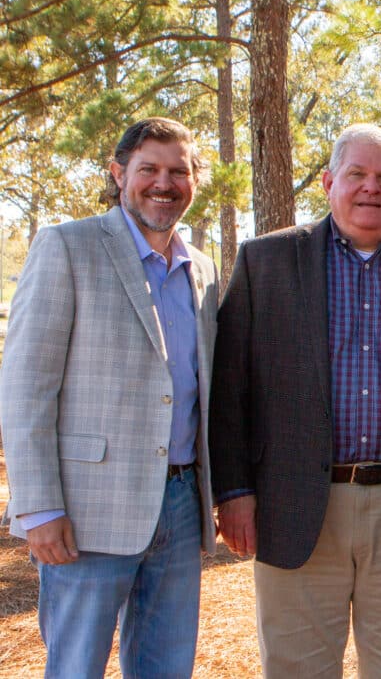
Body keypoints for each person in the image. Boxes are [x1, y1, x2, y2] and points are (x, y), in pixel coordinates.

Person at [208, 123, 381, 678]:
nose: (371, 187)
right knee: (296, 670)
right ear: (328, 182)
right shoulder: (266, 262)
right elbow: (230, 387)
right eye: (357, 173)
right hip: (291, 503)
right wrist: (236, 491)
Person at [0, 117, 218, 678]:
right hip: (85, 509)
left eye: (178, 171)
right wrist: (39, 507)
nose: (164, 183)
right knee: (76, 667)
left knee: (165, 668)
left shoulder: (202, 270)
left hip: (180, 503)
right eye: (149, 169)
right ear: (119, 174)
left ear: (194, 182)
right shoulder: (67, 246)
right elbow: (25, 387)